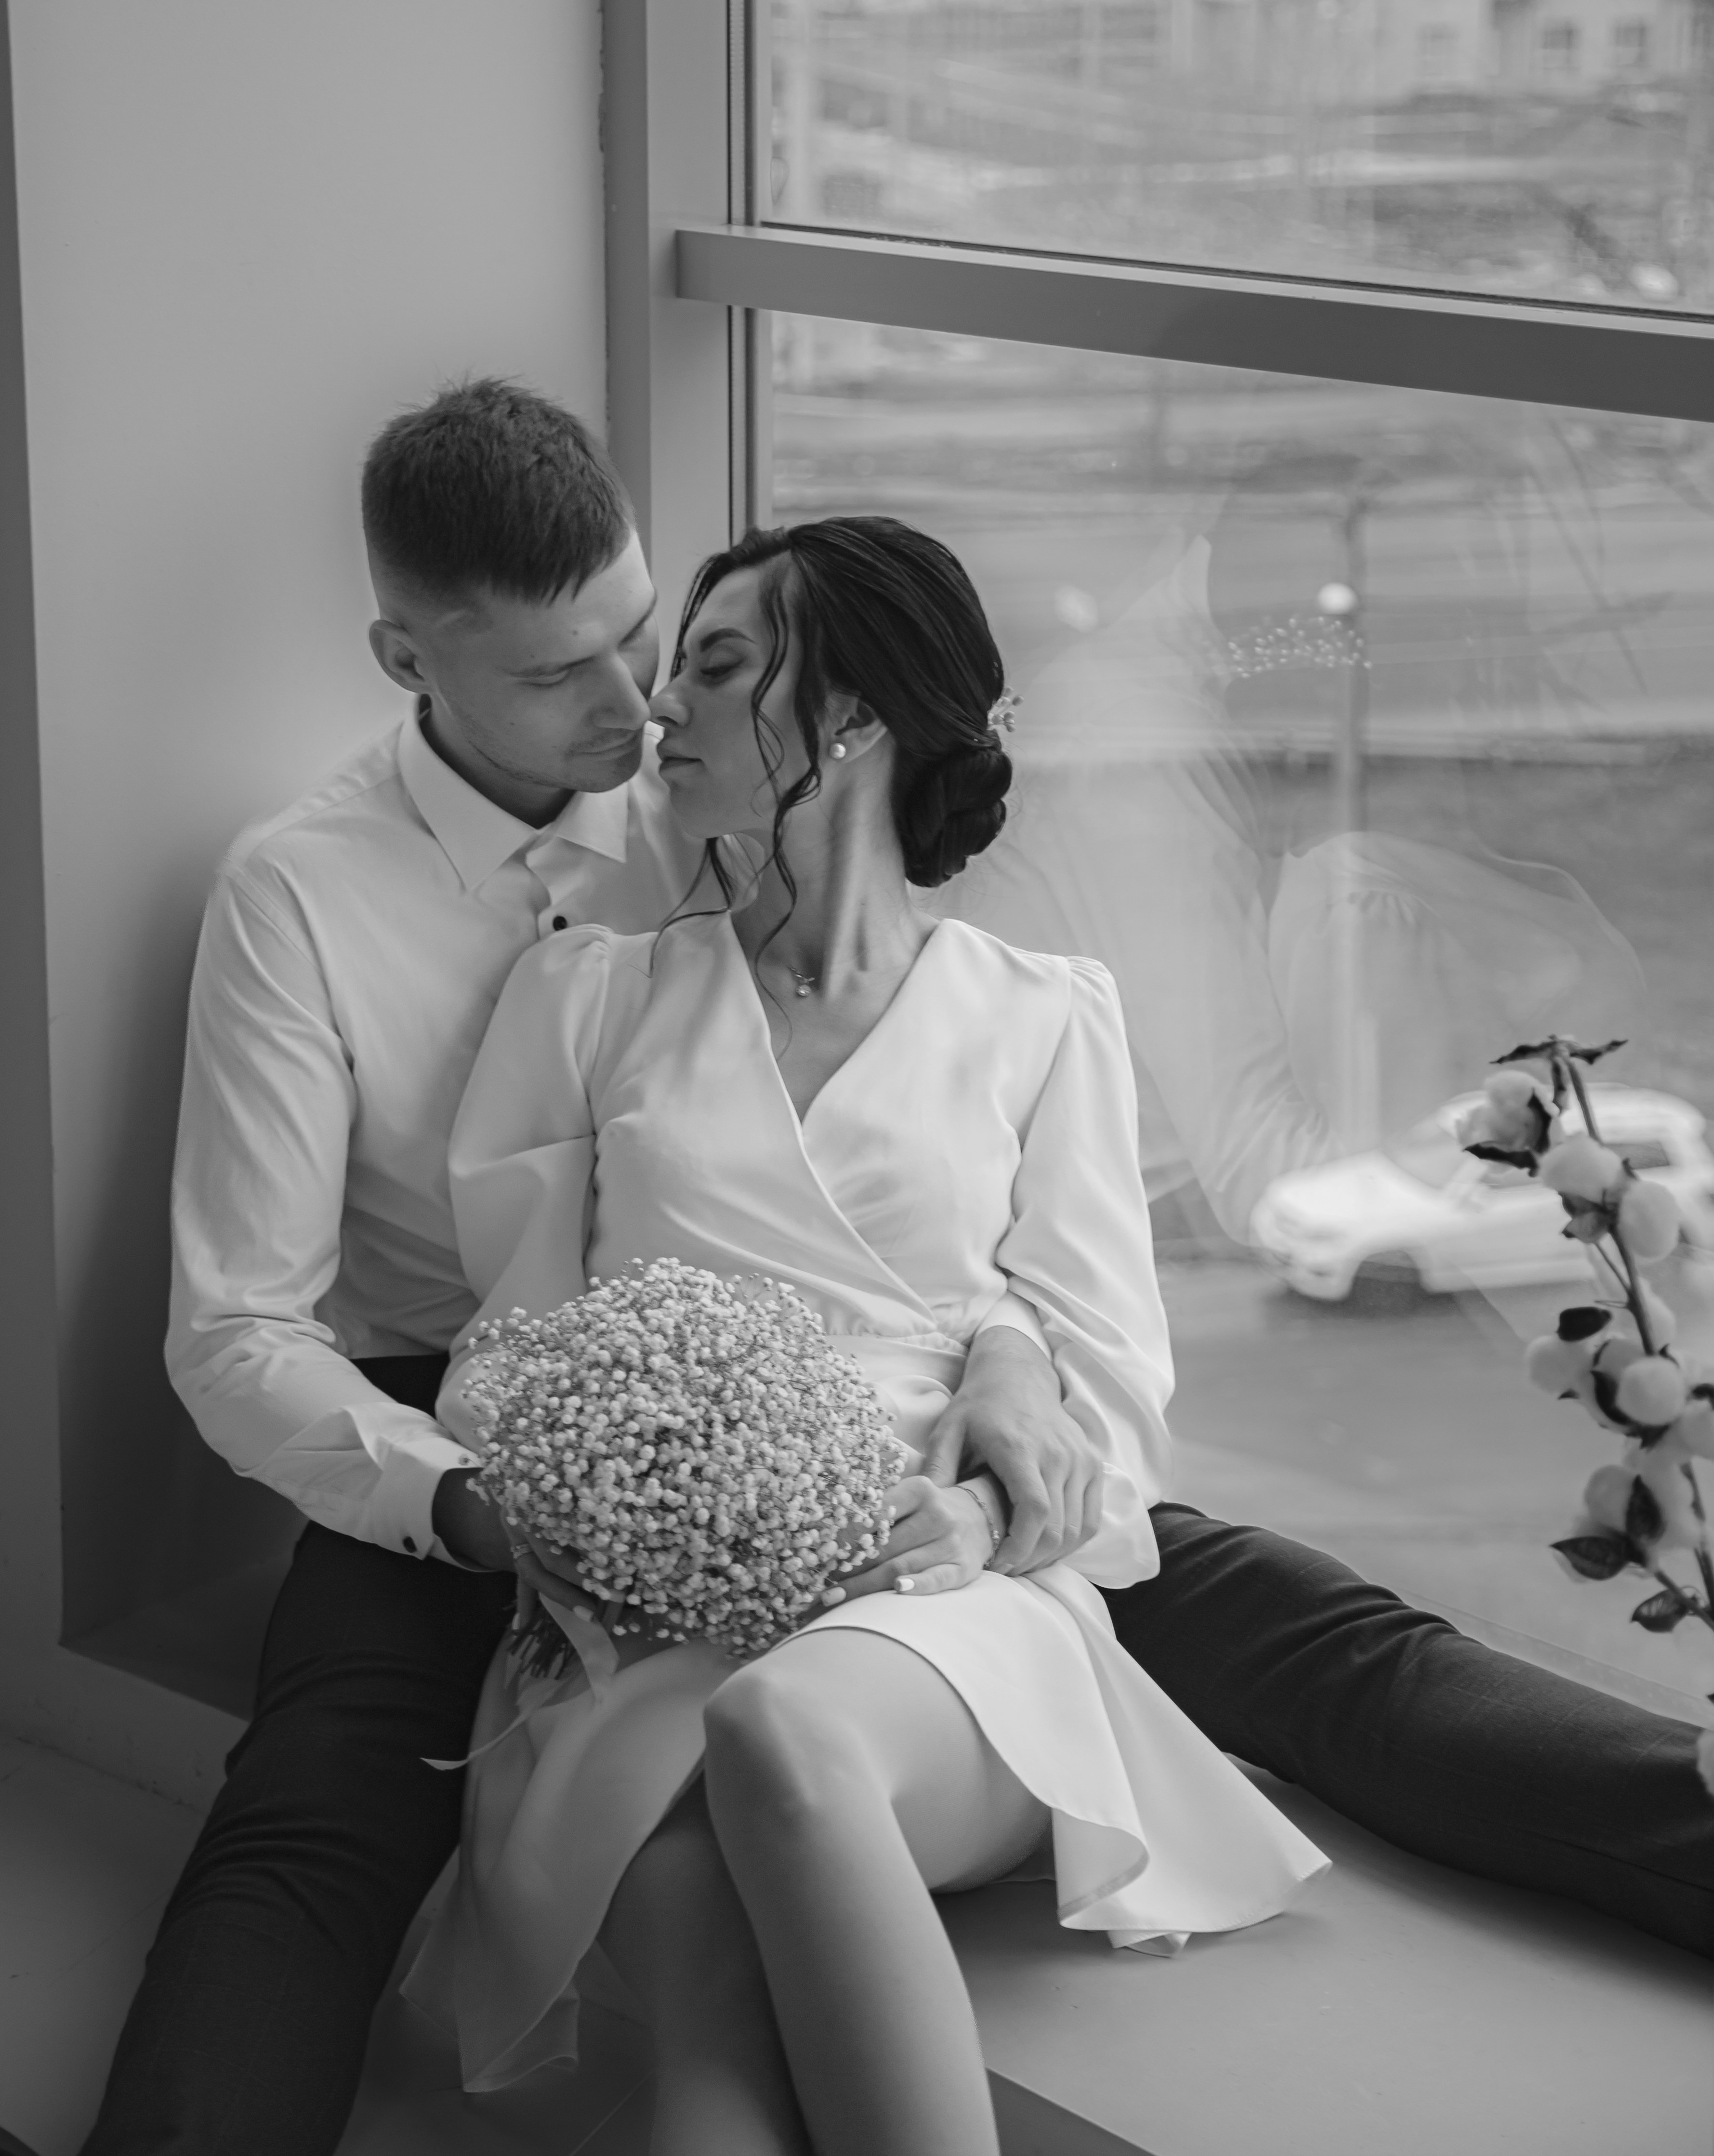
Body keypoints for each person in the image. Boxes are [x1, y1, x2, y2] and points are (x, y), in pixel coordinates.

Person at [82, 380, 1712, 2156]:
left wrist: (1004, 1368)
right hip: (467, 1422)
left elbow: (950, 1202)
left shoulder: (792, 857)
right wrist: (484, 1499)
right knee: (319, 1823)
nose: (631, 710)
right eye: (567, 675)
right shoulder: (313, 897)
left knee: (1332, 1647)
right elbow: (255, 1326)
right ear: (409, 659)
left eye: (653, 643)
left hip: (902, 1447)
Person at [402, 512, 1327, 2153]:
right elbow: (513, 1358)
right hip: (653, 1614)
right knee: (691, 1962)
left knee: (784, 1722)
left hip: (948, 1619)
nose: (658, 710)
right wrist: (624, 1521)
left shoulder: (1045, 1015)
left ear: (851, 718)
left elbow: (1111, 1390)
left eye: (717, 662)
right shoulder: (592, 994)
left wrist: (982, 1477)